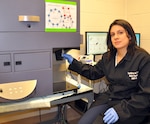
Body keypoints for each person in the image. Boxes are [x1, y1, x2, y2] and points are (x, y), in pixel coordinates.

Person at [62, 19, 150, 124]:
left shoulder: (142, 58)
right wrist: (74, 63)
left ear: (129, 36)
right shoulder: (108, 57)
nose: (116, 37)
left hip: (131, 105)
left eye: (120, 33)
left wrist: (119, 111)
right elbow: (93, 72)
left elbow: (145, 95)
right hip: (110, 98)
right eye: (112, 34)